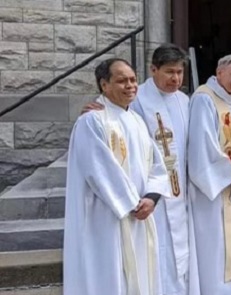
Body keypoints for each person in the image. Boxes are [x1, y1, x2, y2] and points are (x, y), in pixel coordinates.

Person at [82, 44, 198, 295]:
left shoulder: (185, 101)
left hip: (169, 192)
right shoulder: (135, 102)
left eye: (179, 72)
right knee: (149, 257)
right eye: (169, 72)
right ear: (153, 70)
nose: (175, 78)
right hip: (137, 199)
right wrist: (138, 199)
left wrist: (156, 193)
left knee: (177, 254)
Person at [64, 58, 168, 295]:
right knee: (110, 276)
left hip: (140, 213)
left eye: (133, 79)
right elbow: (99, 170)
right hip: (107, 217)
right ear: (104, 85)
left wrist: (151, 198)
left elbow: (156, 165)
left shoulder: (136, 120)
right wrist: (132, 203)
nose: (130, 85)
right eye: (122, 81)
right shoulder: (92, 121)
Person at [187, 54, 231, 294]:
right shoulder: (205, 98)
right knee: (215, 246)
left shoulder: (230, 100)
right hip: (213, 192)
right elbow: (201, 146)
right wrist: (228, 174)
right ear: (219, 72)